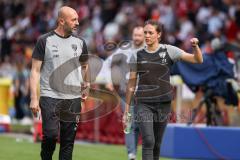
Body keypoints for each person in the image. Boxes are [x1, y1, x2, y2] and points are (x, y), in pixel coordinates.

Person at [123, 20, 203, 160]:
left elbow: (197, 60)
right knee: (149, 141)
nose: (147, 36)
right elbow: (131, 83)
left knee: (157, 144)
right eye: (145, 33)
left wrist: (195, 47)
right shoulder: (137, 55)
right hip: (143, 104)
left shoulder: (169, 50)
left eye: (150, 33)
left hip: (164, 104)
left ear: (158, 35)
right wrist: (127, 110)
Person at [30, 6, 89, 160]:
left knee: (68, 142)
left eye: (77, 19)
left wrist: (86, 84)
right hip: (50, 96)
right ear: (61, 21)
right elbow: (35, 71)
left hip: (73, 98)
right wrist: (34, 98)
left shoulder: (81, 42)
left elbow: (85, 66)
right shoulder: (45, 41)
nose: (77, 22)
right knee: (50, 135)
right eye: (73, 19)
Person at [105, 26, 145, 160]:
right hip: (125, 93)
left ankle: (135, 151)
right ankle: (131, 154)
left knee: (139, 125)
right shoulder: (124, 49)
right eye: (135, 35)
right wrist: (109, 79)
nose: (137, 38)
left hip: (143, 94)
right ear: (132, 35)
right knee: (129, 123)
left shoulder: (150, 50)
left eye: (140, 35)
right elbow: (108, 63)